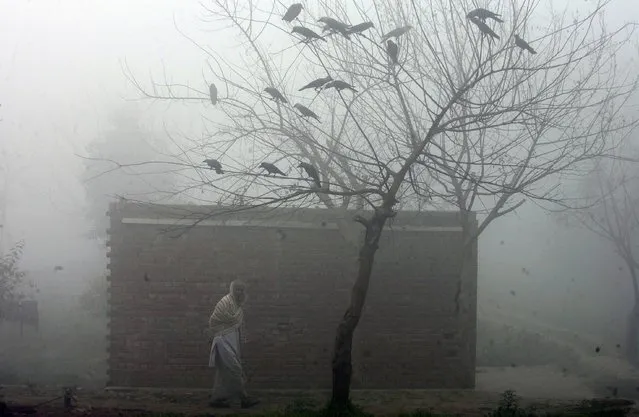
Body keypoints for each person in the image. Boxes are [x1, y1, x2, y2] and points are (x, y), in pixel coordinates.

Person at [207, 280, 259, 409]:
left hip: (232, 342)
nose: (239, 292)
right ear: (232, 289)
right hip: (222, 340)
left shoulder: (238, 307)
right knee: (235, 369)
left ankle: (217, 399)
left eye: (242, 290)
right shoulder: (224, 302)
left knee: (224, 372)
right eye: (237, 289)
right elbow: (213, 321)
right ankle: (244, 399)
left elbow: (239, 327)